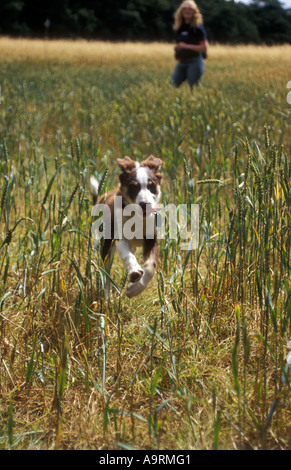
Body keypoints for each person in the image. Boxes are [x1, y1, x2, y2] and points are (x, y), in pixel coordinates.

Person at [171, 1, 208, 90]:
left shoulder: (198, 28)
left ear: (194, 11)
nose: (187, 11)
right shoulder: (179, 27)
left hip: (194, 62)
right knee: (171, 87)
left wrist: (185, 46)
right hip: (182, 62)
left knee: (193, 90)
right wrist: (177, 48)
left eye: (190, 9)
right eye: (185, 8)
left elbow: (204, 47)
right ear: (181, 11)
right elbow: (181, 43)